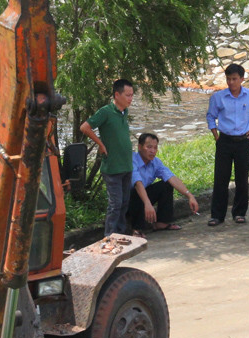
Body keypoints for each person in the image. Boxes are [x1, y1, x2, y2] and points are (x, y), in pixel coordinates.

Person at [206, 63, 249, 226]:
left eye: (234, 79)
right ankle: (217, 215)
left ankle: (240, 213)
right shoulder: (218, 97)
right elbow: (211, 116)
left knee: (242, 177)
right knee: (221, 178)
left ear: (241, 79)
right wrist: (215, 135)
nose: (231, 82)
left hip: (243, 141)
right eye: (228, 79)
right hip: (224, 141)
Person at [80, 78, 135, 237]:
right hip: (112, 167)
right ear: (117, 95)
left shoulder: (124, 112)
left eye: (132, 95)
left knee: (124, 203)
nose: (130, 98)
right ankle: (109, 237)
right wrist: (101, 144)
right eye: (128, 95)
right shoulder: (106, 111)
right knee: (115, 204)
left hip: (126, 165)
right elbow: (85, 127)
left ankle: (121, 234)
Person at [129, 132, 200, 236]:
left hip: (143, 196)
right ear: (140, 147)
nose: (152, 151)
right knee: (137, 192)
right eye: (149, 147)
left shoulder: (155, 162)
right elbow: (137, 183)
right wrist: (148, 203)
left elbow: (171, 177)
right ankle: (137, 228)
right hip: (128, 200)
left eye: (155, 148)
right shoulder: (132, 159)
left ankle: (161, 223)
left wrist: (189, 196)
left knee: (166, 185)